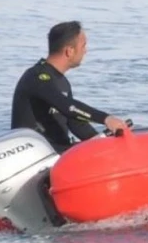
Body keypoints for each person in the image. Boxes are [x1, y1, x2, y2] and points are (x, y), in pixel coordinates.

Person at [11, 21, 128, 153]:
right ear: (69, 51)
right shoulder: (37, 77)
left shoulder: (63, 82)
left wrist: (105, 144)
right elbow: (67, 106)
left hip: (61, 153)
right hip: (38, 156)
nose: (86, 51)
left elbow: (76, 123)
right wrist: (106, 119)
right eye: (83, 46)